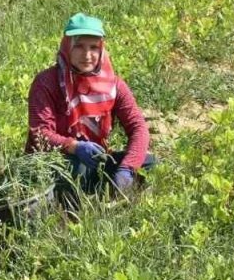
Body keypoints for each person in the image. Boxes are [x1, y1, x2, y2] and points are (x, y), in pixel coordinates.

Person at [26, 13, 154, 196]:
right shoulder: (46, 82)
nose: (87, 55)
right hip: (57, 161)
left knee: (148, 162)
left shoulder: (114, 85)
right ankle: (71, 206)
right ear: (67, 47)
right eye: (79, 46)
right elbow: (39, 133)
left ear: (101, 49)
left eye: (93, 47)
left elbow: (138, 127)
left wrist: (127, 168)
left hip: (95, 160)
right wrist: (74, 147)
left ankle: (112, 191)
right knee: (76, 168)